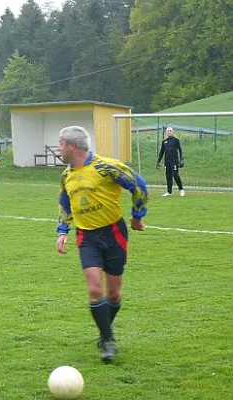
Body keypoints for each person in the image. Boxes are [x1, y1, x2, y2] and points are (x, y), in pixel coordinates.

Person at [55, 126, 148, 362]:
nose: (59, 148)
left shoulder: (106, 167)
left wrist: (137, 217)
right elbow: (65, 204)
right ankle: (108, 340)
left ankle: (104, 330)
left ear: (71, 146)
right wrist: (63, 230)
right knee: (96, 290)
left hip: (114, 232)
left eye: (60, 144)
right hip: (87, 237)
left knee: (114, 294)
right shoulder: (66, 176)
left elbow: (138, 185)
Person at [156, 126, 185, 197]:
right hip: (167, 162)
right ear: (166, 132)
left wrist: (181, 159)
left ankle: (181, 189)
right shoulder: (164, 142)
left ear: (172, 132)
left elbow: (180, 150)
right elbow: (161, 152)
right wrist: (158, 161)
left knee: (175, 175)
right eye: (168, 131)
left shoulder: (176, 140)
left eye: (170, 131)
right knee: (168, 177)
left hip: (174, 161)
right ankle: (169, 192)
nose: (169, 132)